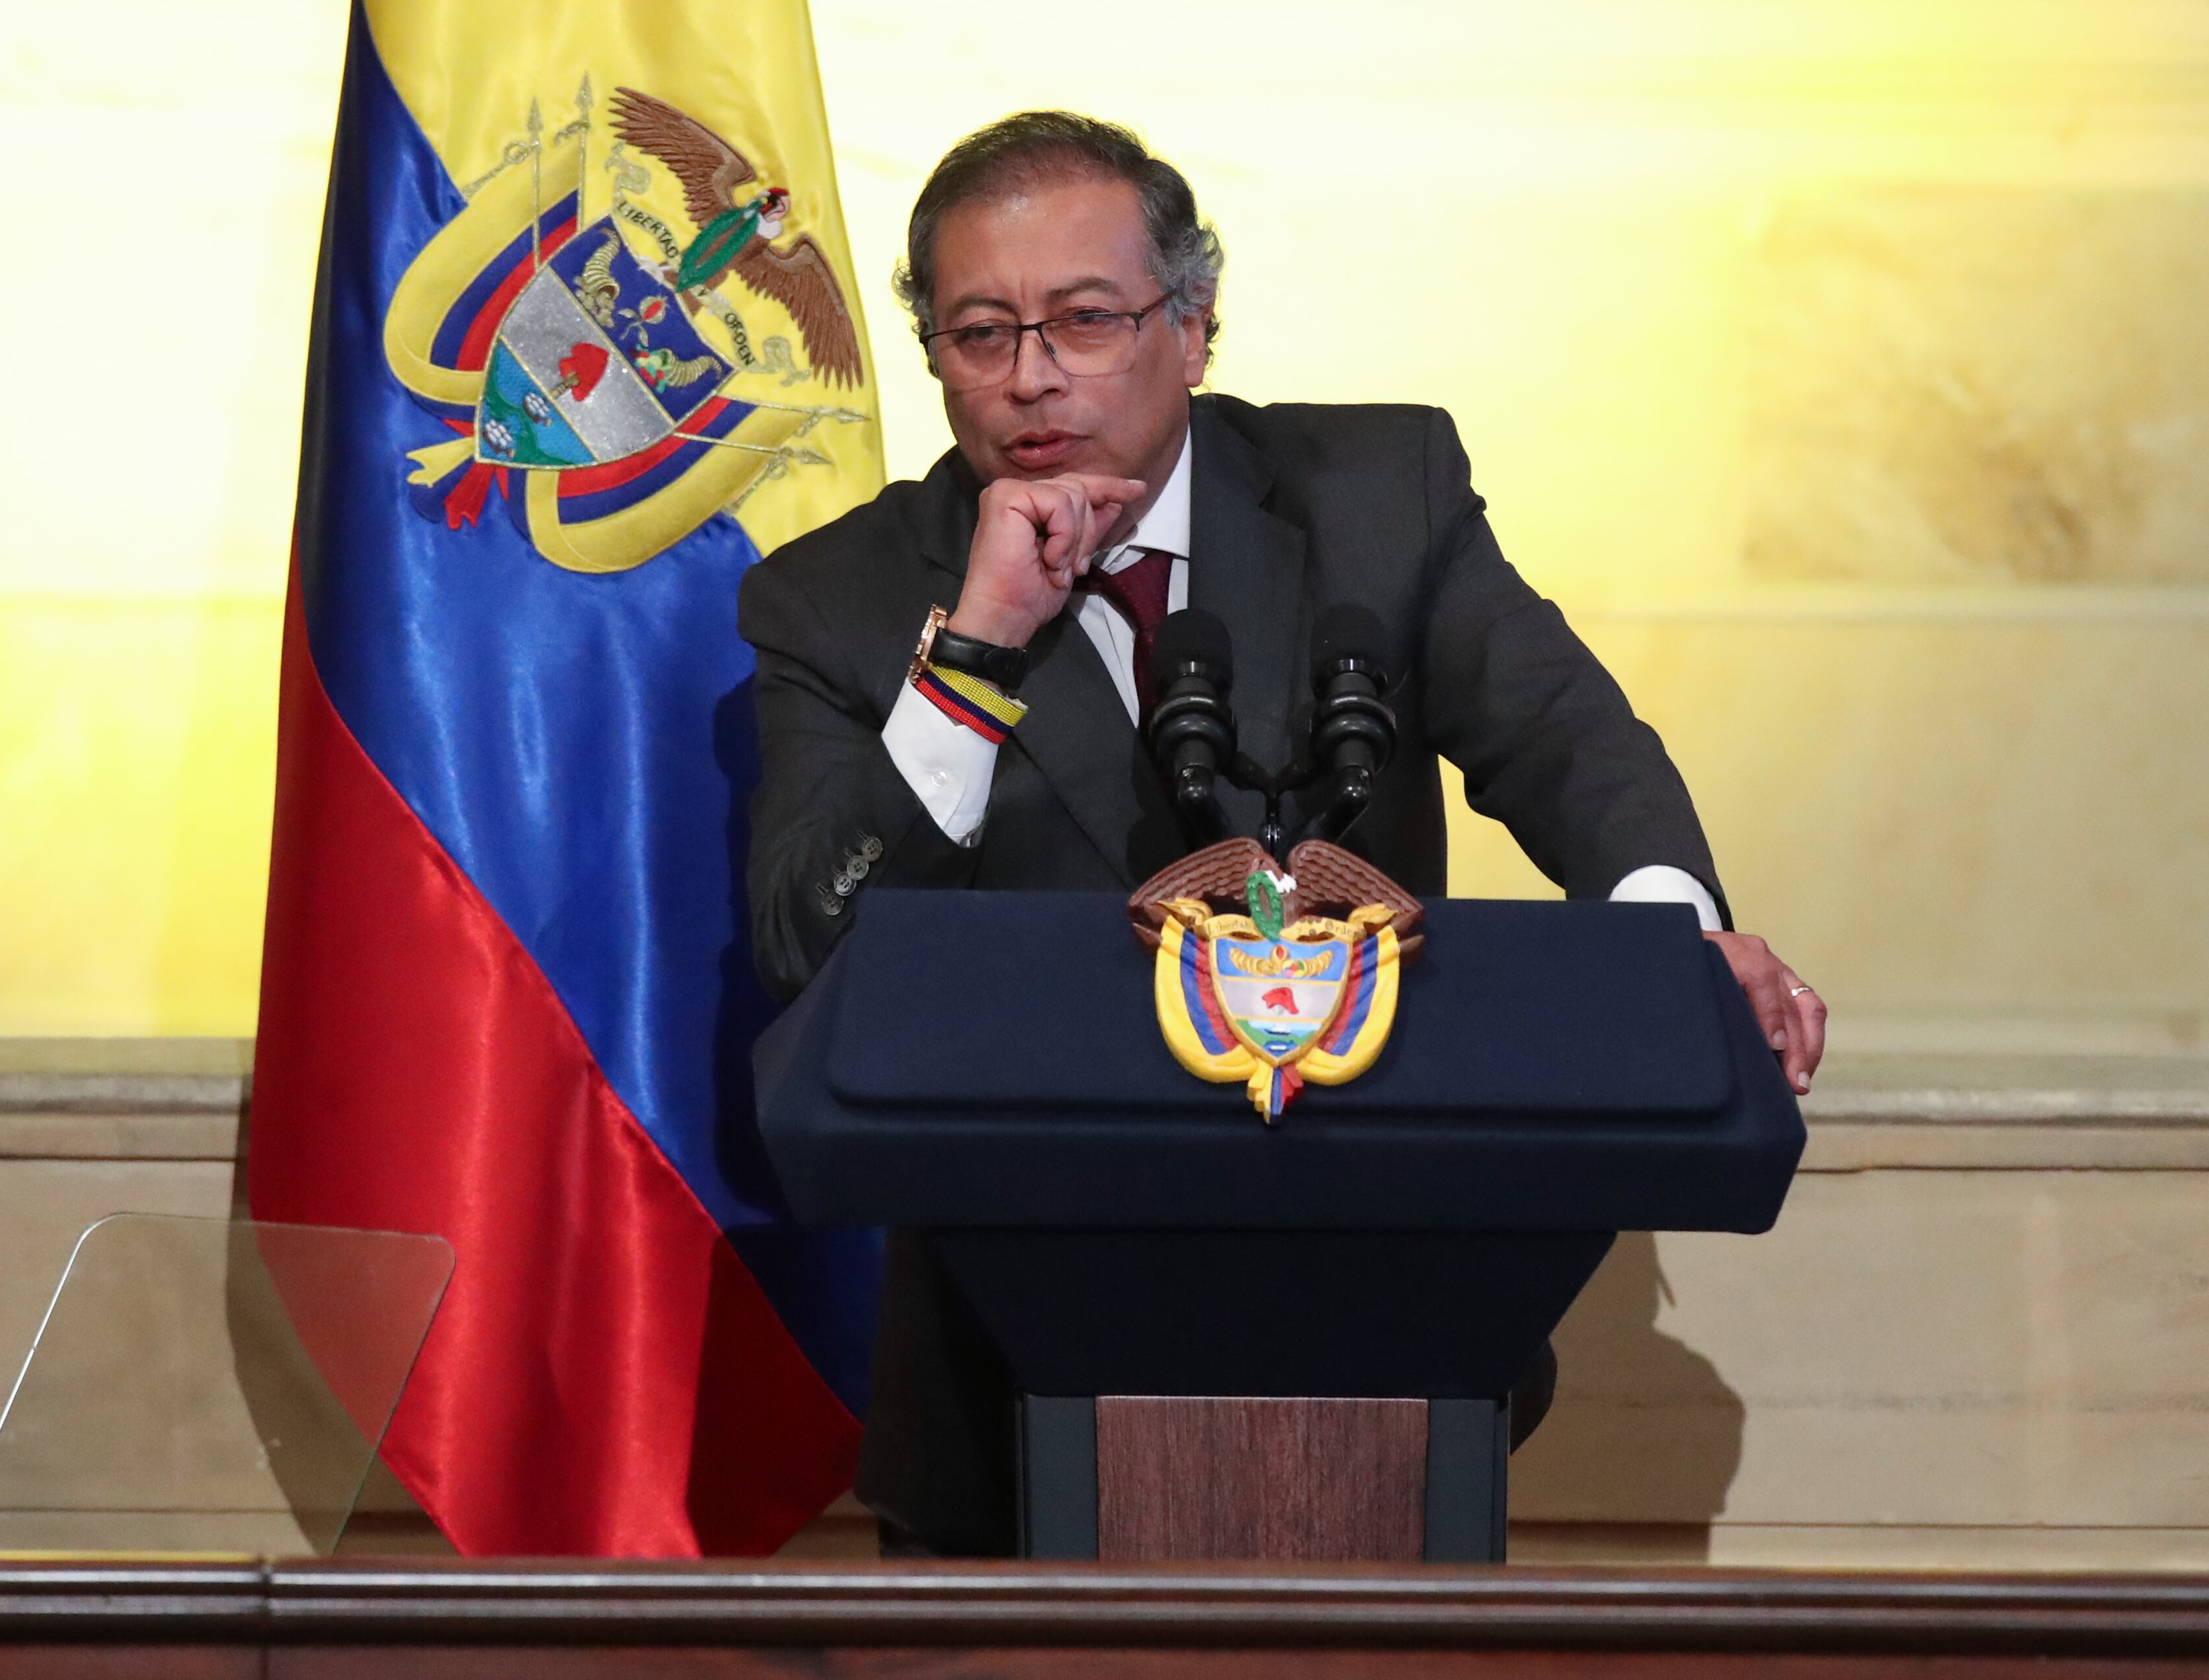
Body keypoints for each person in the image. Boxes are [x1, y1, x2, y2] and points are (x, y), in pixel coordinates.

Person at [736, 111, 1825, 1557]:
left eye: (1085, 320)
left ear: (1193, 325)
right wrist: (976, 652)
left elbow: (1567, 742)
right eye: (980, 334)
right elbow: (809, 943)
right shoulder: (839, 598)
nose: (1032, 375)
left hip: (1384, 1318)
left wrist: (1675, 956)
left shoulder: (1378, 496)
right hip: (1008, 1375)